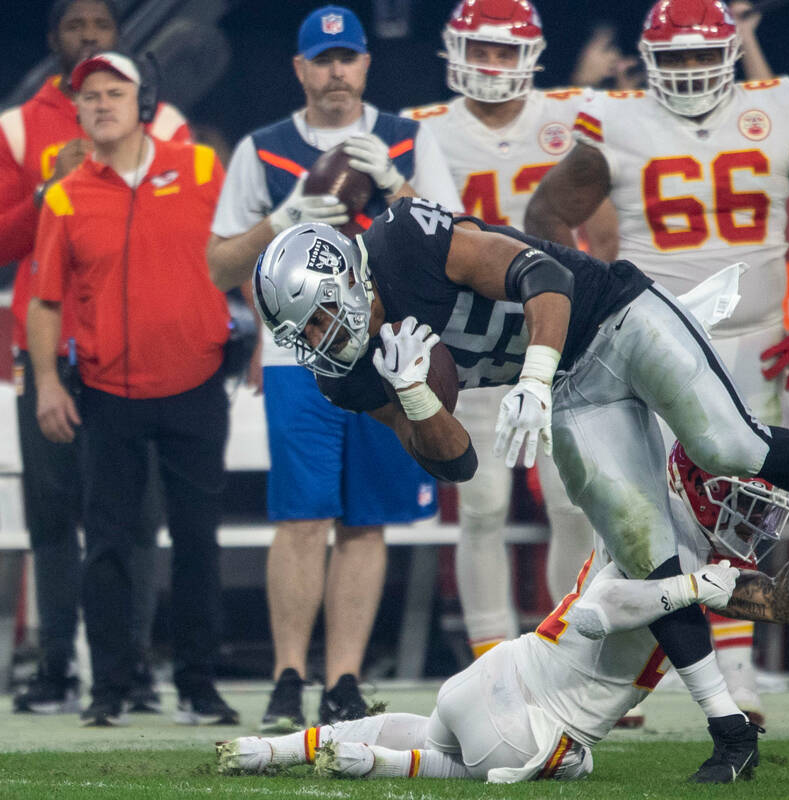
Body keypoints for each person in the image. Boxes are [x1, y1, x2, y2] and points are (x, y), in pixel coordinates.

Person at [251, 191, 789, 780]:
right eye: (301, 331)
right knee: (641, 547)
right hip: (571, 389)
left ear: (347, 276)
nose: (318, 337)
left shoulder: (404, 239)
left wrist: (531, 376)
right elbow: (456, 466)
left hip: (611, 315)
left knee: (727, 444)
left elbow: (546, 275)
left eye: (318, 313)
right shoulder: (344, 374)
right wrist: (416, 398)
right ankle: (729, 733)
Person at [523, 0, 789, 725]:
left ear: (729, 54)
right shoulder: (617, 120)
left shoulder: (776, 105)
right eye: (674, 58)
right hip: (654, 342)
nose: (690, 71)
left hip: (755, 336)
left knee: (743, 510)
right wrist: (589, 304)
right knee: (642, 509)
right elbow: (545, 215)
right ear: (651, 61)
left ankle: (734, 673)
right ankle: (616, 670)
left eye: (702, 56)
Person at [216, 458, 789, 784]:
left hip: (497, 676)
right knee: (543, 763)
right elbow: (605, 611)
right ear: (700, 491)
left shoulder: (668, 535)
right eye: (738, 498)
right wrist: (690, 586)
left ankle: (266, 750)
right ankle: (376, 767)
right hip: (531, 720)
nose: (750, 516)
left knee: (424, 729)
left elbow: (783, 606)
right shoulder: (667, 547)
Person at [206, 5, 462, 732]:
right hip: (299, 354)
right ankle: (289, 675)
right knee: (301, 516)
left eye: (347, 56)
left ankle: (343, 679)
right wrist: (281, 220)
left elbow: (459, 243)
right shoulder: (265, 148)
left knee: (366, 521)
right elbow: (219, 262)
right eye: (323, 59)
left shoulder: (411, 138)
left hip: (386, 350)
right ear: (299, 69)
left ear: (366, 63)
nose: (336, 71)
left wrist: (399, 190)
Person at [26, 52, 236, 727]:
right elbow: (44, 301)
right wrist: (46, 384)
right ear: (78, 110)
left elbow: (243, 253)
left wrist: (264, 336)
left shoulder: (203, 166)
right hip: (107, 390)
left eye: (114, 92)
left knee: (200, 540)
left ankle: (199, 687)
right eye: (89, 96)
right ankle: (110, 689)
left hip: (197, 381)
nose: (101, 104)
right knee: (108, 543)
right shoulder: (64, 195)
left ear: (143, 100)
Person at [0, 0, 188, 715]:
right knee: (53, 517)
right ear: (52, 40)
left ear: (119, 37)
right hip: (46, 346)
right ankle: (53, 668)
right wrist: (52, 188)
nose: (87, 36)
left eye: (100, 26)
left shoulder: (160, 123)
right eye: (74, 26)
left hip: (128, 346)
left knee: (135, 517)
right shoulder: (17, 129)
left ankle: (132, 667)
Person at [399, 0, 601, 661]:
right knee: (482, 505)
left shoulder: (569, 117)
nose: (490, 65)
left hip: (554, 330)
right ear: (455, 51)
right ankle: (491, 659)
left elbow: (602, 224)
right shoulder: (422, 129)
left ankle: (563, 647)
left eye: (503, 51)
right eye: (479, 50)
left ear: (531, 57)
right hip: (472, 339)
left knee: (572, 506)